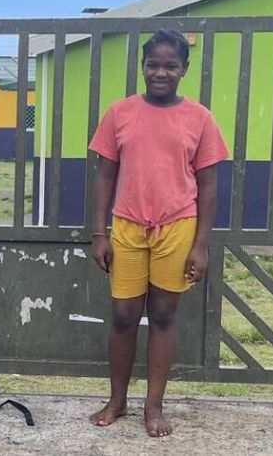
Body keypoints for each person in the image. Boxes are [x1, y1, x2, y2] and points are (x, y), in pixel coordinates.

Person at [87, 30, 229, 438]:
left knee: (164, 316)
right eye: (153, 65)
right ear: (143, 67)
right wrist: (100, 234)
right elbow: (105, 175)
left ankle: (154, 406)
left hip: (178, 226)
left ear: (184, 69)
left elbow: (208, 185)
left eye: (170, 66)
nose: (161, 73)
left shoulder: (199, 118)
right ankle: (117, 400)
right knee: (123, 316)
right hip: (128, 226)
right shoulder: (120, 113)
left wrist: (201, 245)